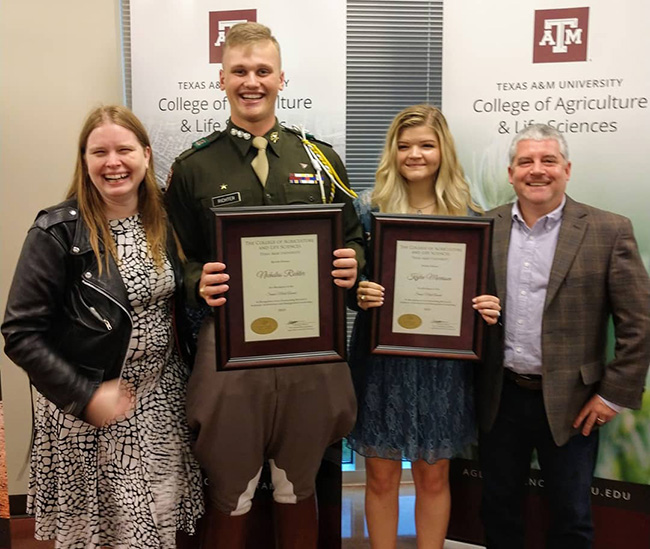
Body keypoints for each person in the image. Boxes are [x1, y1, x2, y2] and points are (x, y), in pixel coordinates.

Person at [164, 22, 364, 548]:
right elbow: (172, 258)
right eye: (239, 71)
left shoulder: (319, 160)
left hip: (308, 345)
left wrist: (352, 264)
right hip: (230, 349)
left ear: (281, 79)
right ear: (223, 79)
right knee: (232, 483)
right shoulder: (192, 168)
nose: (251, 81)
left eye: (262, 71)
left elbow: (354, 236)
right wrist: (193, 281)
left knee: (296, 480)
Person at [2, 105, 204, 548]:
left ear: (146, 155)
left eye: (124, 149)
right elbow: (19, 334)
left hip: (159, 402)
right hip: (88, 412)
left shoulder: (165, 222)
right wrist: (85, 394)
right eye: (100, 152)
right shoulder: (56, 231)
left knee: (156, 530)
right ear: (85, 160)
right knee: (99, 538)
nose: (113, 162)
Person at [477, 123, 650, 549]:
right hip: (499, 397)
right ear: (511, 172)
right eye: (526, 162)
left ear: (567, 169)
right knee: (498, 510)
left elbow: (639, 321)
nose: (538, 170)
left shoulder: (609, 230)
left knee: (571, 516)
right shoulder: (483, 226)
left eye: (548, 160)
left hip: (575, 403)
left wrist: (612, 395)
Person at [348, 104, 501, 549]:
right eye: (405, 146)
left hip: (443, 363)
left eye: (426, 145)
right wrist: (360, 290)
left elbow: (480, 293)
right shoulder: (365, 210)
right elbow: (345, 279)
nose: (415, 154)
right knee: (380, 475)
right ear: (392, 153)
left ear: (443, 151)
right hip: (382, 362)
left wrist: (487, 306)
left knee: (434, 476)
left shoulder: (471, 216)